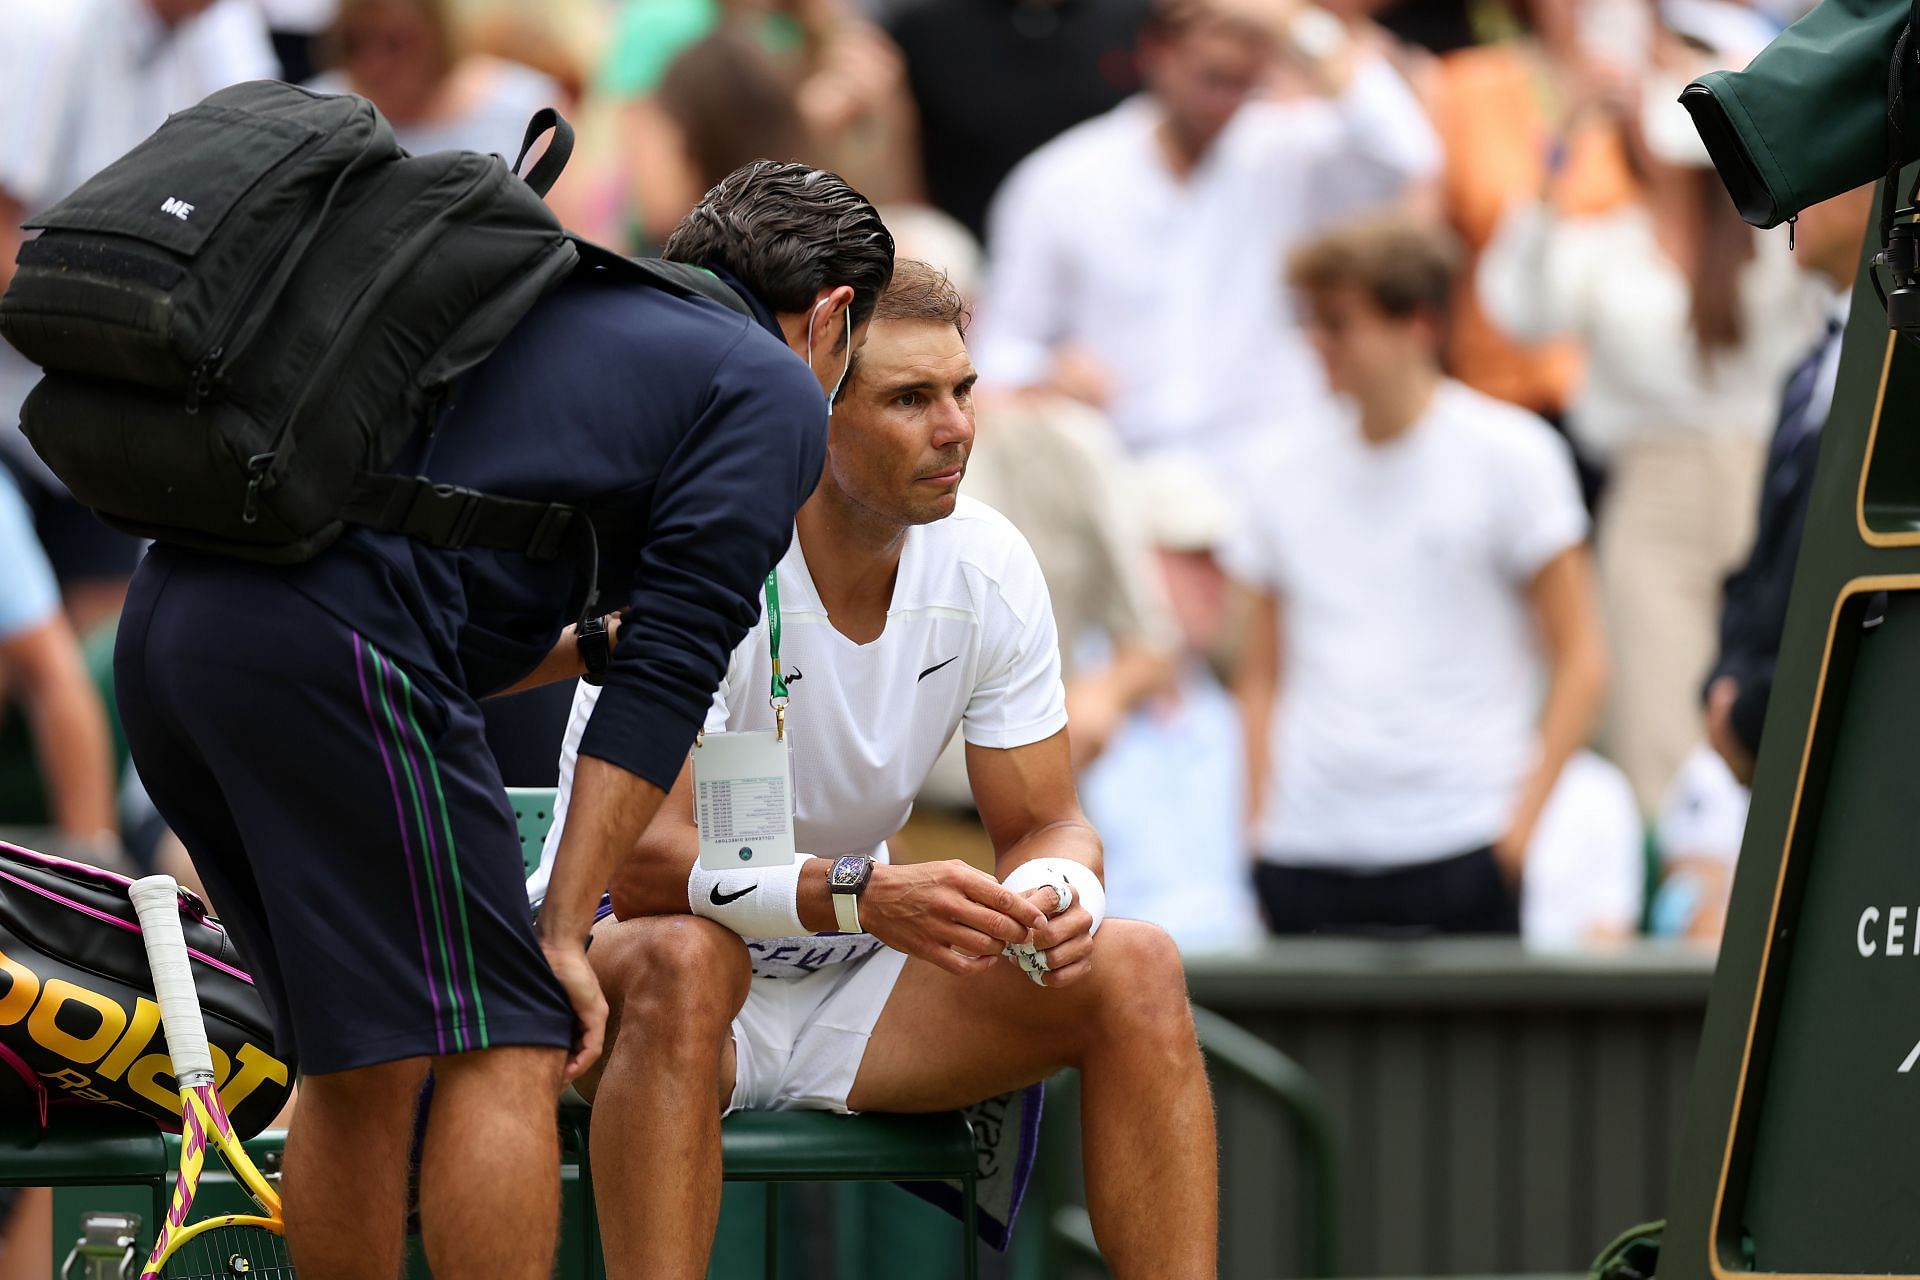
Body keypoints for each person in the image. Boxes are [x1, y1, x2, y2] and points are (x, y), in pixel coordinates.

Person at [113, 161, 894, 1280]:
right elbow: (668, 680)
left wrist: (586, 646)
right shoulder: (768, 390)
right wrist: (567, 927)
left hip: (173, 628)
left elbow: (448, 593)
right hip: (330, 641)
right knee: (509, 1035)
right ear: (829, 318)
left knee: (357, 1058)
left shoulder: (564, 298)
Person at [535, 261, 1217, 1279]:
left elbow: (1047, 822)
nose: (955, 428)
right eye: (910, 398)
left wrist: (1054, 892)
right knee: (689, 961)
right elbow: (641, 869)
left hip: (850, 981)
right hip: (637, 973)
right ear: (814, 415)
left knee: (1138, 964)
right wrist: (859, 894)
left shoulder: (989, 560)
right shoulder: (703, 551)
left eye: (963, 390)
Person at [1476, 7, 1828, 815]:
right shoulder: (1604, 244)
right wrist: (1564, 140)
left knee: (1784, 707)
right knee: (1661, 735)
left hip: (1767, 485)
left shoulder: (1778, 233)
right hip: (1652, 498)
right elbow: (1517, 304)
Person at [1231, 215, 1608, 935]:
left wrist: (1517, 835)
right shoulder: (1275, 471)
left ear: (1420, 325)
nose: (1319, 344)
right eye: (1313, 322)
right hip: (1304, 854)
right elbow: (1259, 674)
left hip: (1463, 844)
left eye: (1340, 323)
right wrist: (1257, 829)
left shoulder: (1515, 455)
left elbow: (1583, 659)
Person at [973, 0, 1439, 460]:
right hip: (1123, 471)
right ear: (1157, 49)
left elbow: (1404, 153)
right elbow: (1001, 351)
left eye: (1247, 50)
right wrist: (1050, 377)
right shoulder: (1058, 183)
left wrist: (1295, 21)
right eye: (1212, 69)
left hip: (1273, 464)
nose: (1232, 62)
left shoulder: (1293, 152)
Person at [0, 0, 278, 634]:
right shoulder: (48, 29)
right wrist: (133, 345)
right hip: (17, 412)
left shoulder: (222, 38)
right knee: (33, 665)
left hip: (102, 417)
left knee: (103, 663)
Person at [1078, 455, 1264, 951]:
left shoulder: (1231, 714)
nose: (1214, 577)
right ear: (1129, 562)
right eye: (1187, 556)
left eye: (1216, 557)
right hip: (1109, 989)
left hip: (1248, 981)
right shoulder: (1061, 693)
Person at [307, 0, 569, 158]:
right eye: (356, 42)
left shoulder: (528, 110)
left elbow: (572, 237)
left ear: (438, 36)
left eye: (397, 43)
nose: (375, 63)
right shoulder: (317, 110)